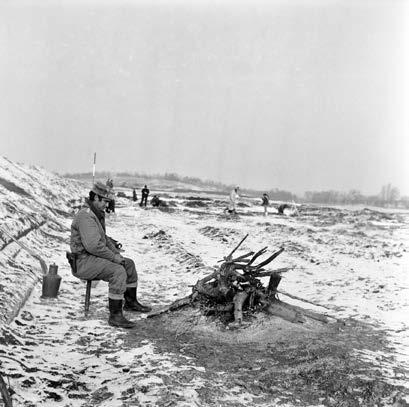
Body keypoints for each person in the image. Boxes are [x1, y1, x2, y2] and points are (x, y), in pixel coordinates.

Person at [70, 182, 151, 329]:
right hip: (83, 261)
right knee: (117, 271)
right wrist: (114, 258)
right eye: (104, 201)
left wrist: (116, 253)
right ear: (95, 198)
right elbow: (93, 245)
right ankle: (115, 316)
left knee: (128, 264)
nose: (106, 205)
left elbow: (104, 239)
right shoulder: (86, 216)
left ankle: (130, 302)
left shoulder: (94, 214)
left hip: (92, 258)